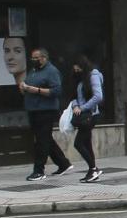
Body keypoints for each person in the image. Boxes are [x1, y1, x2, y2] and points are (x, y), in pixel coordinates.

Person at [21, 47, 72, 181]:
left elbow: (56, 91)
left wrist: (35, 90)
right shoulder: (33, 71)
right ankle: (63, 163)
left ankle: (39, 170)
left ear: (44, 58)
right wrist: (24, 87)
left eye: (36, 58)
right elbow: (28, 86)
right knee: (46, 139)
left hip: (45, 110)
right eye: (32, 58)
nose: (34, 60)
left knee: (41, 141)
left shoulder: (51, 71)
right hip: (33, 109)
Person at [71, 55, 104, 183]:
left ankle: (93, 168)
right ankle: (92, 170)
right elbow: (74, 95)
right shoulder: (79, 78)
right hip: (83, 115)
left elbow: (98, 96)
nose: (76, 70)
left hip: (90, 115)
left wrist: (82, 108)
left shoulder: (93, 76)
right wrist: (75, 106)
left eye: (78, 68)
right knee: (86, 143)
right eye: (74, 69)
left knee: (78, 143)